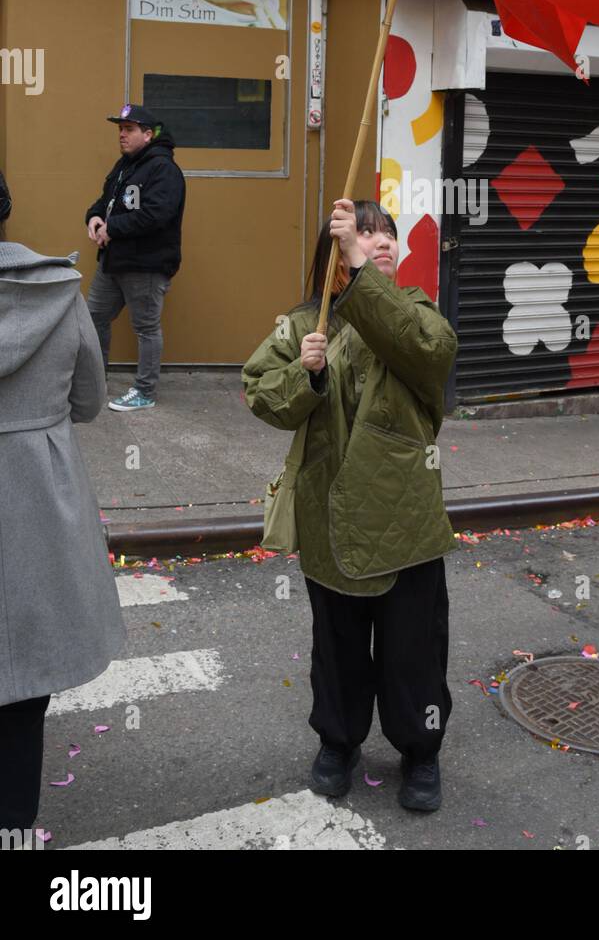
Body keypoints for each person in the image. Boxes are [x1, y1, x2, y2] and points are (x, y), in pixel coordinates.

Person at [243, 198, 458, 811]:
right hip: (329, 518)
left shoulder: (417, 313)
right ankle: (338, 741)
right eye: (363, 233)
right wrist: (304, 376)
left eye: (386, 234)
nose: (380, 240)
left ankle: (421, 751)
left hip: (404, 520)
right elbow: (261, 391)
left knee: (413, 649)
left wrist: (361, 272)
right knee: (336, 647)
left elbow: (429, 350)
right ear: (335, 253)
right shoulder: (304, 323)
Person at [0, 169, 127, 834]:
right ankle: (16, 828)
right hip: (37, 507)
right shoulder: (59, 290)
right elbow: (88, 401)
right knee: (23, 688)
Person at [85, 104, 185, 412]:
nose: (122, 135)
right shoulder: (124, 165)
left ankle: (145, 391)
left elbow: (156, 215)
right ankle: (95, 380)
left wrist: (112, 227)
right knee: (93, 318)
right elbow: (106, 201)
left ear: (149, 134)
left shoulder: (164, 169)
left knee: (146, 328)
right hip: (113, 261)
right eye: (120, 129)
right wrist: (94, 217)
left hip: (146, 264)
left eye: (129, 129)